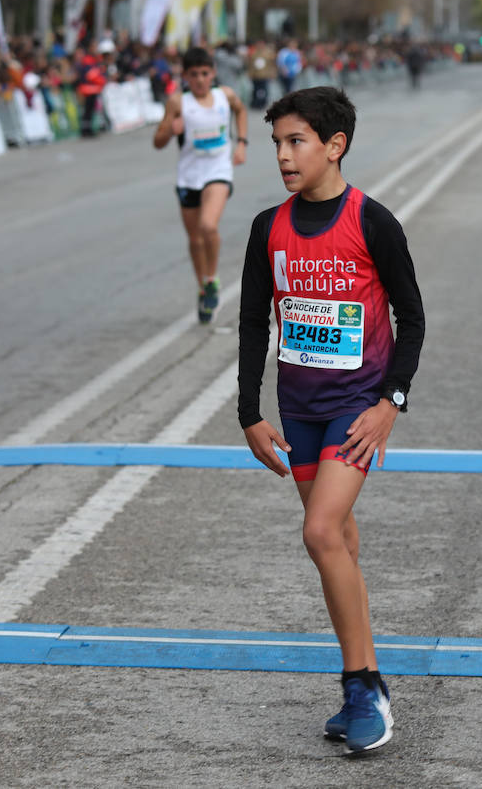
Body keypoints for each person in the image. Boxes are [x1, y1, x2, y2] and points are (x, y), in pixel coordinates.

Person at [238, 86, 424, 755]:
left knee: (318, 532)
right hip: (300, 412)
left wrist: (390, 402)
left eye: (297, 142)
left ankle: (362, 686)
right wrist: (248, 413)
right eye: (277, 144)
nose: (284, 156)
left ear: (334, 145)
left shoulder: (372, 222)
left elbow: (414, 318)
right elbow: (254, 320)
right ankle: (365, 682)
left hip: (356, 409)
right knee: (339, 540)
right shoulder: (268, 227)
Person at [152, 46, 249, 323]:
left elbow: (240, 111)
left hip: (218, 170)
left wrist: (241, 143)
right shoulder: (177, 103)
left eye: (205, 73)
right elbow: (157, 143)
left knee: (208, 225)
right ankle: (202, 286)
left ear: (213, 73)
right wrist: (170, 129)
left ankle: (212, 278)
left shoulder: (225, 95)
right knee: (195, 238)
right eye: (193, 74)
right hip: (189, 176)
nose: (200, 80)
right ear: (185, 76)